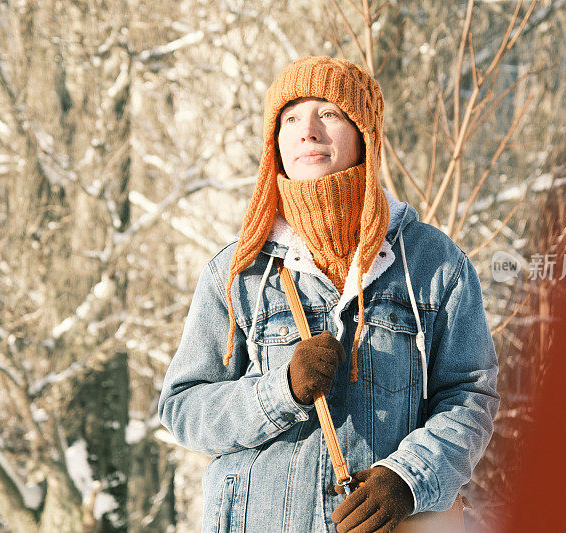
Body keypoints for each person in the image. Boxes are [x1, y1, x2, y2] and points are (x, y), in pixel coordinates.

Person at [158, 56, 499, 532]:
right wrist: (282, 391)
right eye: (291, 118)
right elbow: (182, 407)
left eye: (330, 114)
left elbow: (470, 394)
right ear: (274, 143)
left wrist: (408, 479)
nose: (308, 131)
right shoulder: (239, 272)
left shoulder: (433, 264)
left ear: (365, 135)